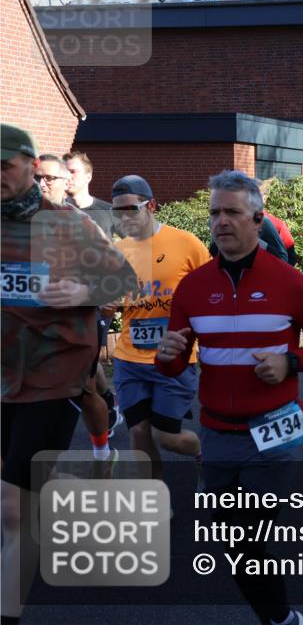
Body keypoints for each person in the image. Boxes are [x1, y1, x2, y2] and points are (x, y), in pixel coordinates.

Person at [157, 170, 303, 625]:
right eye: (215, 212)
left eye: (232, 212)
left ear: (258, 219)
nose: (221, 221)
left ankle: (280, 619)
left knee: (248, 537)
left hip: (272, 429)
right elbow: (173, 366)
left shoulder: (291, 282)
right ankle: (278, 615)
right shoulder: (193, 287)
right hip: (215, 432)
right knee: (230, 537)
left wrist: (290, 363)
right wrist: (167, 356)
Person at [2, 124, 137, 625]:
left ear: (29, 167)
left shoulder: (68, 224)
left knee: (14, 508)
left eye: (4, 165)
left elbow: (122, 279)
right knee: (9, 503)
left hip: (53, 373)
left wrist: (81, 293)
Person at [110, 175, 211, 482]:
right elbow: (108, 300)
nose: (125, 217)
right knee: (139, 434)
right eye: (118, 212)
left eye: (131, 209)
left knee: (165, 436)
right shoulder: (118, 250)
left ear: (151, 205)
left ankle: (205, 455)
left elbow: (211, 293)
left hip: (175, 357)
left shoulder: (187, 244)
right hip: (130, 359)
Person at [35, 155, 120, 463]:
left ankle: (101, 451)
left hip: (77, 319)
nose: (41, 184)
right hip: (30, 323)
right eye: (36, 178)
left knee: (82, 390)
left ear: (64, 182)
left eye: (49, 178)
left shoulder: (80, 222)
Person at [64, 150, 119, 422]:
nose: (67, 177)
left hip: (99, 300)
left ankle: (102, 407)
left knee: (86, 358)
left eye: (72, 171)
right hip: (65, 299)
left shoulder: (107, 212)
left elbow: (131, 251)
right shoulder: (55, 211)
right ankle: (104, 401)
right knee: (81, 358)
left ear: (88, 175)